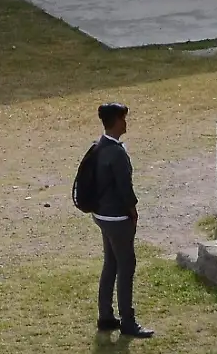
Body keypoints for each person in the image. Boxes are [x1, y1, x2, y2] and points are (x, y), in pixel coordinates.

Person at [88, 103, 153, 339]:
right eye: (123, 119)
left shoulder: (98, 146)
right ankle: (128, 321)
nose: (126, 123)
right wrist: (133, 213)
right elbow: (126, 189)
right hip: (117, 217)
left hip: (101, 214)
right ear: (115, 120)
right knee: (126, 266)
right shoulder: (117, 153)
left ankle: (105, 316)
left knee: (111, 264)